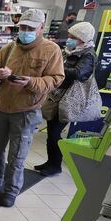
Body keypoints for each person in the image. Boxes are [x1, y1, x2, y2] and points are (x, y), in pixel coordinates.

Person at [0, 9, 64, 207]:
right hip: (0, 107)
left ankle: (11, 191)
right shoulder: (8, 48)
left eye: (30, 28)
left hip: (26, 110)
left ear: (41, 28)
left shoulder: (51, 50)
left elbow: (56, 79)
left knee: (17, 155)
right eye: (22, 27)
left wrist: (31, 82)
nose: (25, 31)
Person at [36, 21, 96, 177]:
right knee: (51, 132)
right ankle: (50, 162)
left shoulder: (88, 54)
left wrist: (58, 69)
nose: (69, 39)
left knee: (55, 133)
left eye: (72, 37)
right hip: (59, 95)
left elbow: (80, 73)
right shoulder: (72, 50)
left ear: (82, 38)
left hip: (69, 98)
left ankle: (56, 165)